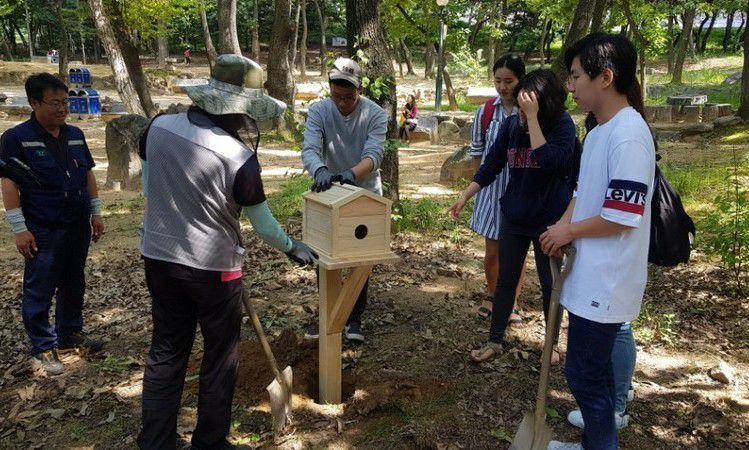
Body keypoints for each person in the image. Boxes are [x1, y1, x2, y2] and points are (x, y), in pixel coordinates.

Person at [136, 54, 318, 450]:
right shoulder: (238, 158)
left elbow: (150, 188)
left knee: (166, 350)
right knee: (219, 358)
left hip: (159, 257)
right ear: (239, 110)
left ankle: (156, 441)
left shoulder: (157, 128)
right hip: (213, 271)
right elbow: (265, 225)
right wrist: (292, 247)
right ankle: (210, 442)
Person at [539, 33, 655, 450]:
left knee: (584, 375)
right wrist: (562, 223)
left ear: (605, 77)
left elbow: (623, 215)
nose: (570, 87)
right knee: (594, 374)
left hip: (608, 280)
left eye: (575, 76)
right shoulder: (601, 131)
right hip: (588, 273)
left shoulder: (629, 135)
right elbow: (583, 193)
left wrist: (569, 231)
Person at [448, 69, 579, 365]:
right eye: (520, 108)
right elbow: (491, 165)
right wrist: (465, 195)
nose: (519, 113)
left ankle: (552, 345)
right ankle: (495, 339)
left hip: (551, 222)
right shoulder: (511, 126)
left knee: (550, 283)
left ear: (542, 106)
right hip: (515, 216)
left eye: (527, 107)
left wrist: (531, 119)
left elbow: (548, 163)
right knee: (505, 280)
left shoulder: (563, 126)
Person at [0, 73, 105, 376]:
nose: (62, 109)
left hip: (76, 223)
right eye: (54, 103)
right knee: (40, 286)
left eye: (65, 102)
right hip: (43, 227)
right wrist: (20, 229)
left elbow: (87, 175)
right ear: (34, 103)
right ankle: (43, 346)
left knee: (74, 281)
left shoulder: (74, 134)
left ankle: (70, 333)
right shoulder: (17, 139)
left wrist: (96, 213)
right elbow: (9, 184)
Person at [300, 57, 388, 343]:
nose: (342, 103)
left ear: (359, 89)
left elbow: (374, 154)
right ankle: (329, 314)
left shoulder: (374, 114)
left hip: (365, 194)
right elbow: (310, 148)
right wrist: (320, 170)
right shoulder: (319, 111)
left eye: (348, 97)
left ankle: (353, 319)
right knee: (325, 253)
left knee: (358, 256)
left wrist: (352, 174)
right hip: (330, 192)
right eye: (337, 96)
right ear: (329, 89)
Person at [467, 54, 528, 324]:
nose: (503, 87)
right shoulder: (486, 111)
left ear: (520, 80)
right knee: (492, 252)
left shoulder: (529, 110)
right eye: (498, 81)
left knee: (515, 252)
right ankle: (495, 296)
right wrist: (477, 183)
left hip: (520, 190)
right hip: (490, 191)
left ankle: (511, 302)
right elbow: (477, 151)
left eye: (509, 81)